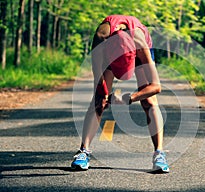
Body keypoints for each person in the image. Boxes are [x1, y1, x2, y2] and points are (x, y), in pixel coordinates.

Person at [71, 15, 169, 173]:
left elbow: (156, 86)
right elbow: (98, 77)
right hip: (110, 52)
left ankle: (159, 153)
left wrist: (128, 99)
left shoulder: (141, 46)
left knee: (149, 102)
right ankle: (84, 151)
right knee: (98, 101)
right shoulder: (100, 40)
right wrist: (104, 96)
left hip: (136, 48)